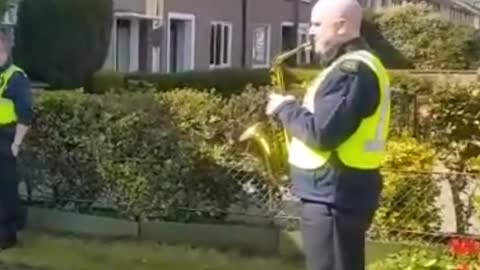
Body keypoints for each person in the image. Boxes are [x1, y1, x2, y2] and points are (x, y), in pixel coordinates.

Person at [265, 0, 390, 269]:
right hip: (333, 192)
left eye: (317, 24)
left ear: (342, 26)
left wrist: (284, 108)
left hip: (335, 195)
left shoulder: (352, 72)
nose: (310, 31)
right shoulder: (347, 67)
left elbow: (322, 134)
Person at [0, 31, 33, 250]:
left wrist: (16, 144)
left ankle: (7, 235)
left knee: (6, 189)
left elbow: (26, 113)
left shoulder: (16, 77)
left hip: (6, 137)